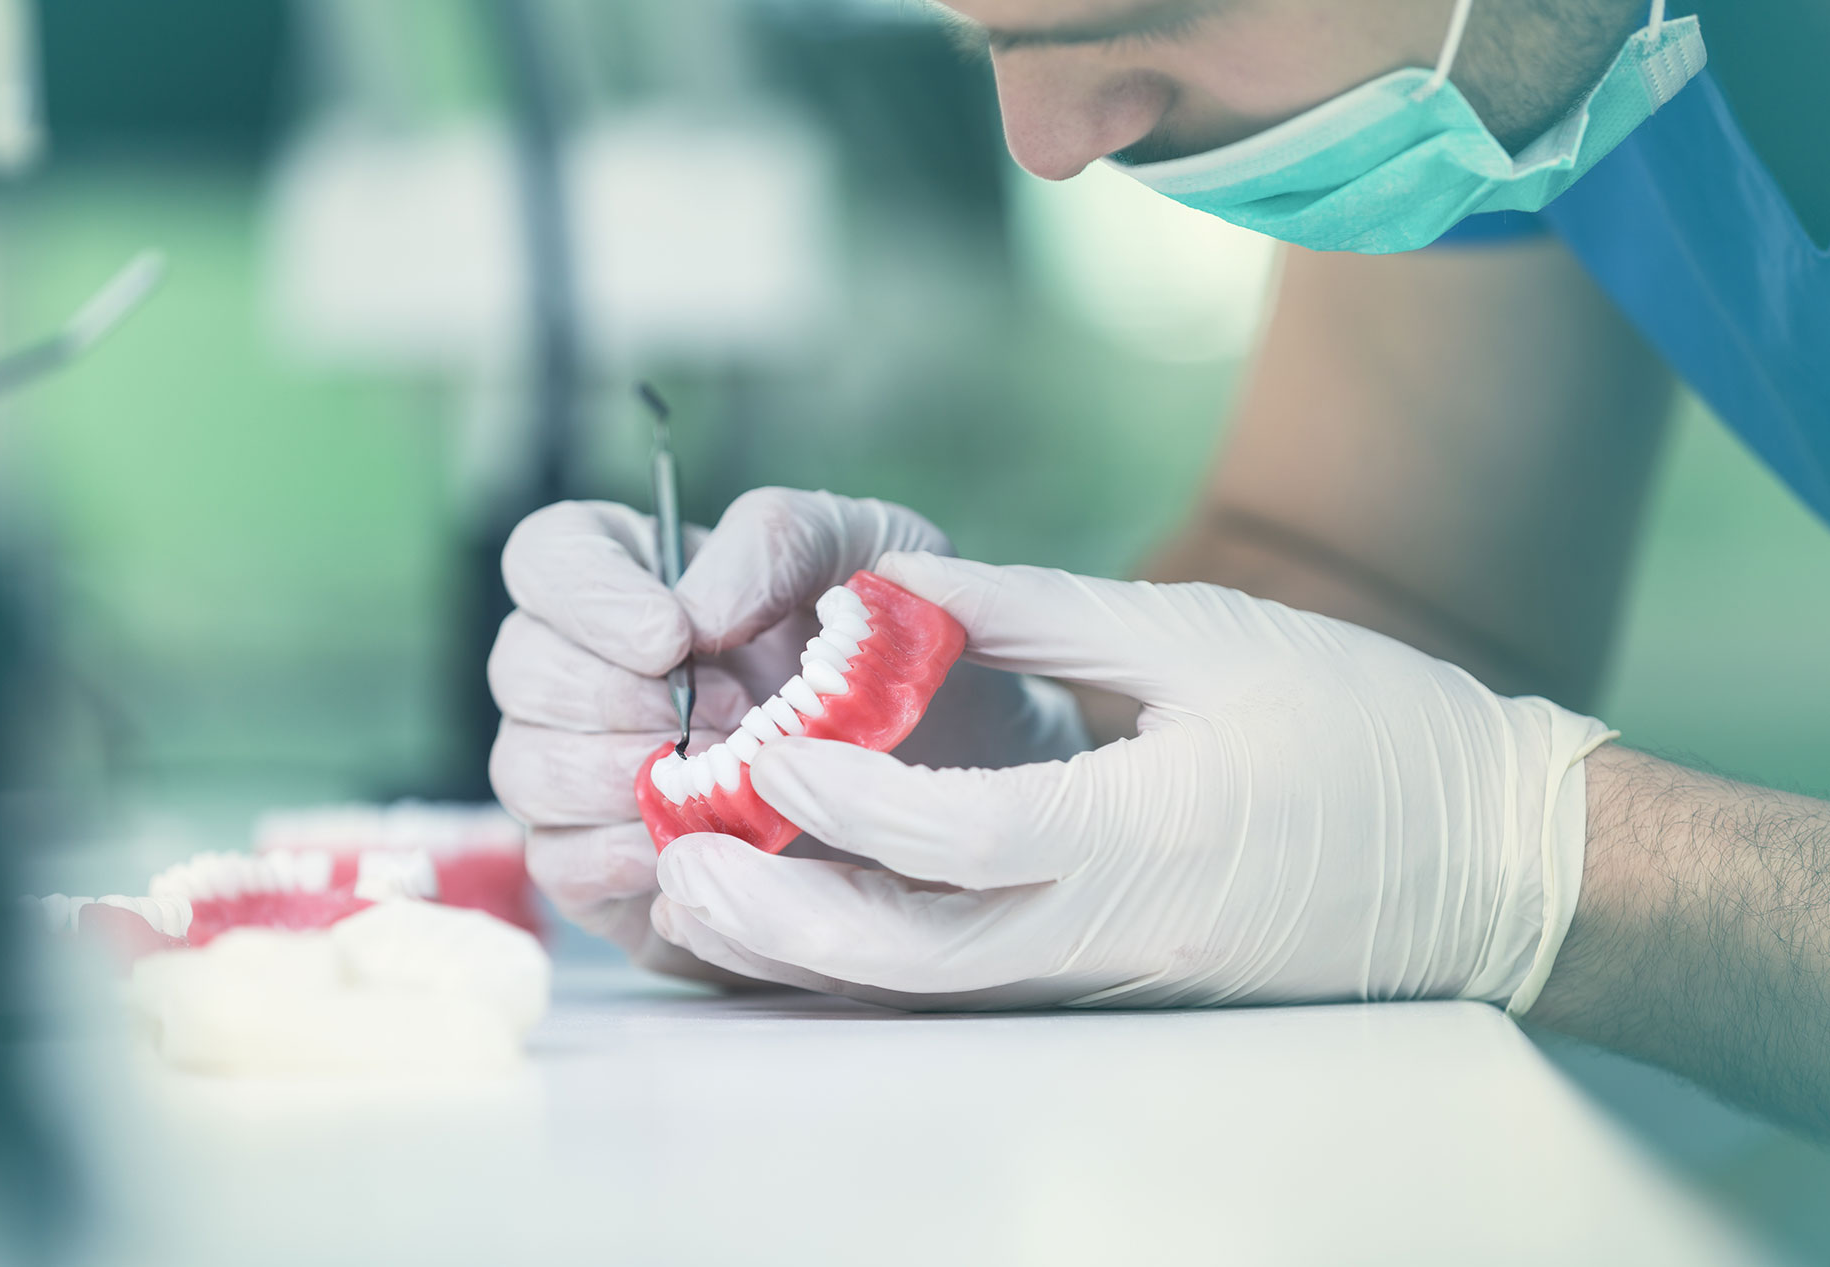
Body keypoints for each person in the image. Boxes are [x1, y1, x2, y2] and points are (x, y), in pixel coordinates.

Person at [488, 0, 1830, 1138]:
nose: (1047, 145)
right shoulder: (1501, 63)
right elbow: (1392, 584)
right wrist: (1013, 775)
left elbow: (1468, 820)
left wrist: (1554, 867)